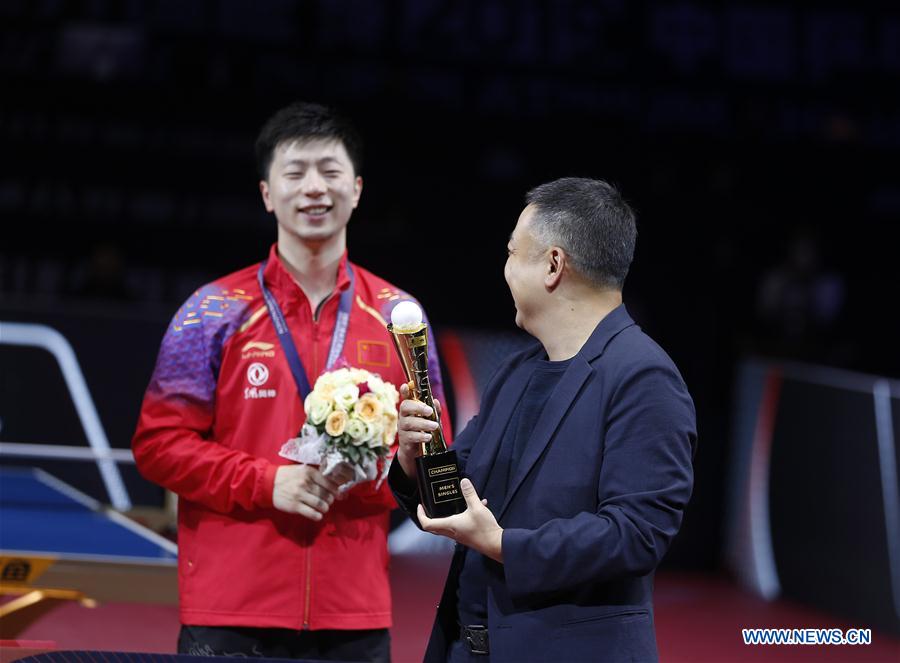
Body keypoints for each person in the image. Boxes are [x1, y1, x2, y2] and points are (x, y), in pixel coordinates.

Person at [132, 101, 452, 661]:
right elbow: (158, 446)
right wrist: (267, 482)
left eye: (330, 172)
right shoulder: (211, 312)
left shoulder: (401, 317)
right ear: (266, 193)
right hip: (230, 608)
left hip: (354, 610)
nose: (314, 188)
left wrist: (408, 462)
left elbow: (437, 458)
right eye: (295, 172)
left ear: (355, 189)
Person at [390, 178, 697, 662]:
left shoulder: (644, 376)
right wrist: (415, 459)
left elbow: (637, 534)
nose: (505, 269)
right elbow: (459, 499)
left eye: (513, 252)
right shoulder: (516, 371)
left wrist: (503, 544)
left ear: (553, 265)